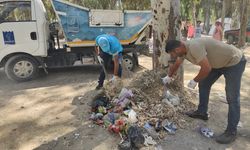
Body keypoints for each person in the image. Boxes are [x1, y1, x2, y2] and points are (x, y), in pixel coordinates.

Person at [162, 38, 246, 144]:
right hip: (217, 64)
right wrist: (168, 76)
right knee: (204, 84)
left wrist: (194, 80)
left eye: (172, 53)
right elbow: (177, 64)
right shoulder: (182, 51)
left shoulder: (194, 47)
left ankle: (231, 132)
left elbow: (206, 68)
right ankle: (202, 112)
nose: (173, 56)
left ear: (177, 49)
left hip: (233, 61)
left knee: (232, 97)